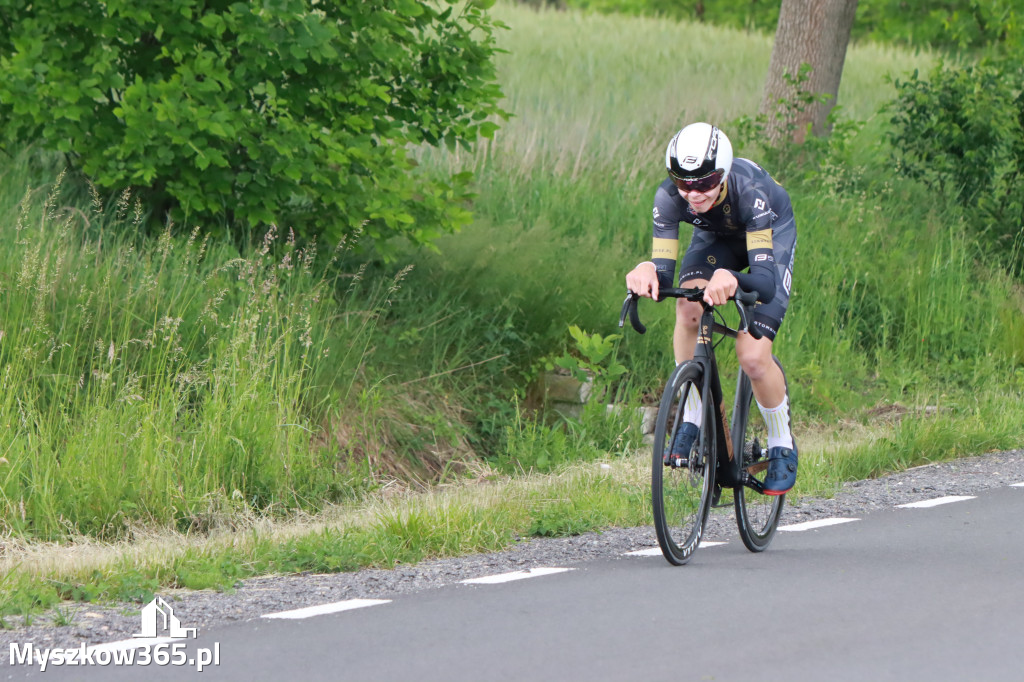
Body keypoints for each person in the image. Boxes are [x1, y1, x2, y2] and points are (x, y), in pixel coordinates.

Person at [624, 122, 797, 495]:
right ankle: (692, 413)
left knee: (751, 356)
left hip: (768, 236)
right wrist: (646, 271)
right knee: (688, 306)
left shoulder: (752, 194)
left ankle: (782, 442)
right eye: (684, 182)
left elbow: (765, 281)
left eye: (705, 182)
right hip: (716, 238)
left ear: (724, 172)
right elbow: (664, 269)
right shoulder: (670, 197)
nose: (693, 193)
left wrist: (732, 278)